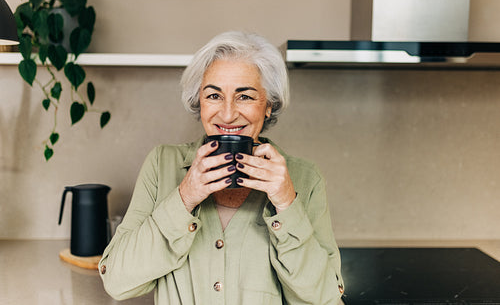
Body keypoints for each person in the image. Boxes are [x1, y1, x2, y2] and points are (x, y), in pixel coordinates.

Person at [98, 31, 344, 304]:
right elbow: (117, 282)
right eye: (214, 95)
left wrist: (287, 204)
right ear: (199, 102)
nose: (227, 114)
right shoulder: (161, 164)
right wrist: (184, 197)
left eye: (245, 97)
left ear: (268, 105)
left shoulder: (304, 178)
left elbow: (325, 299)